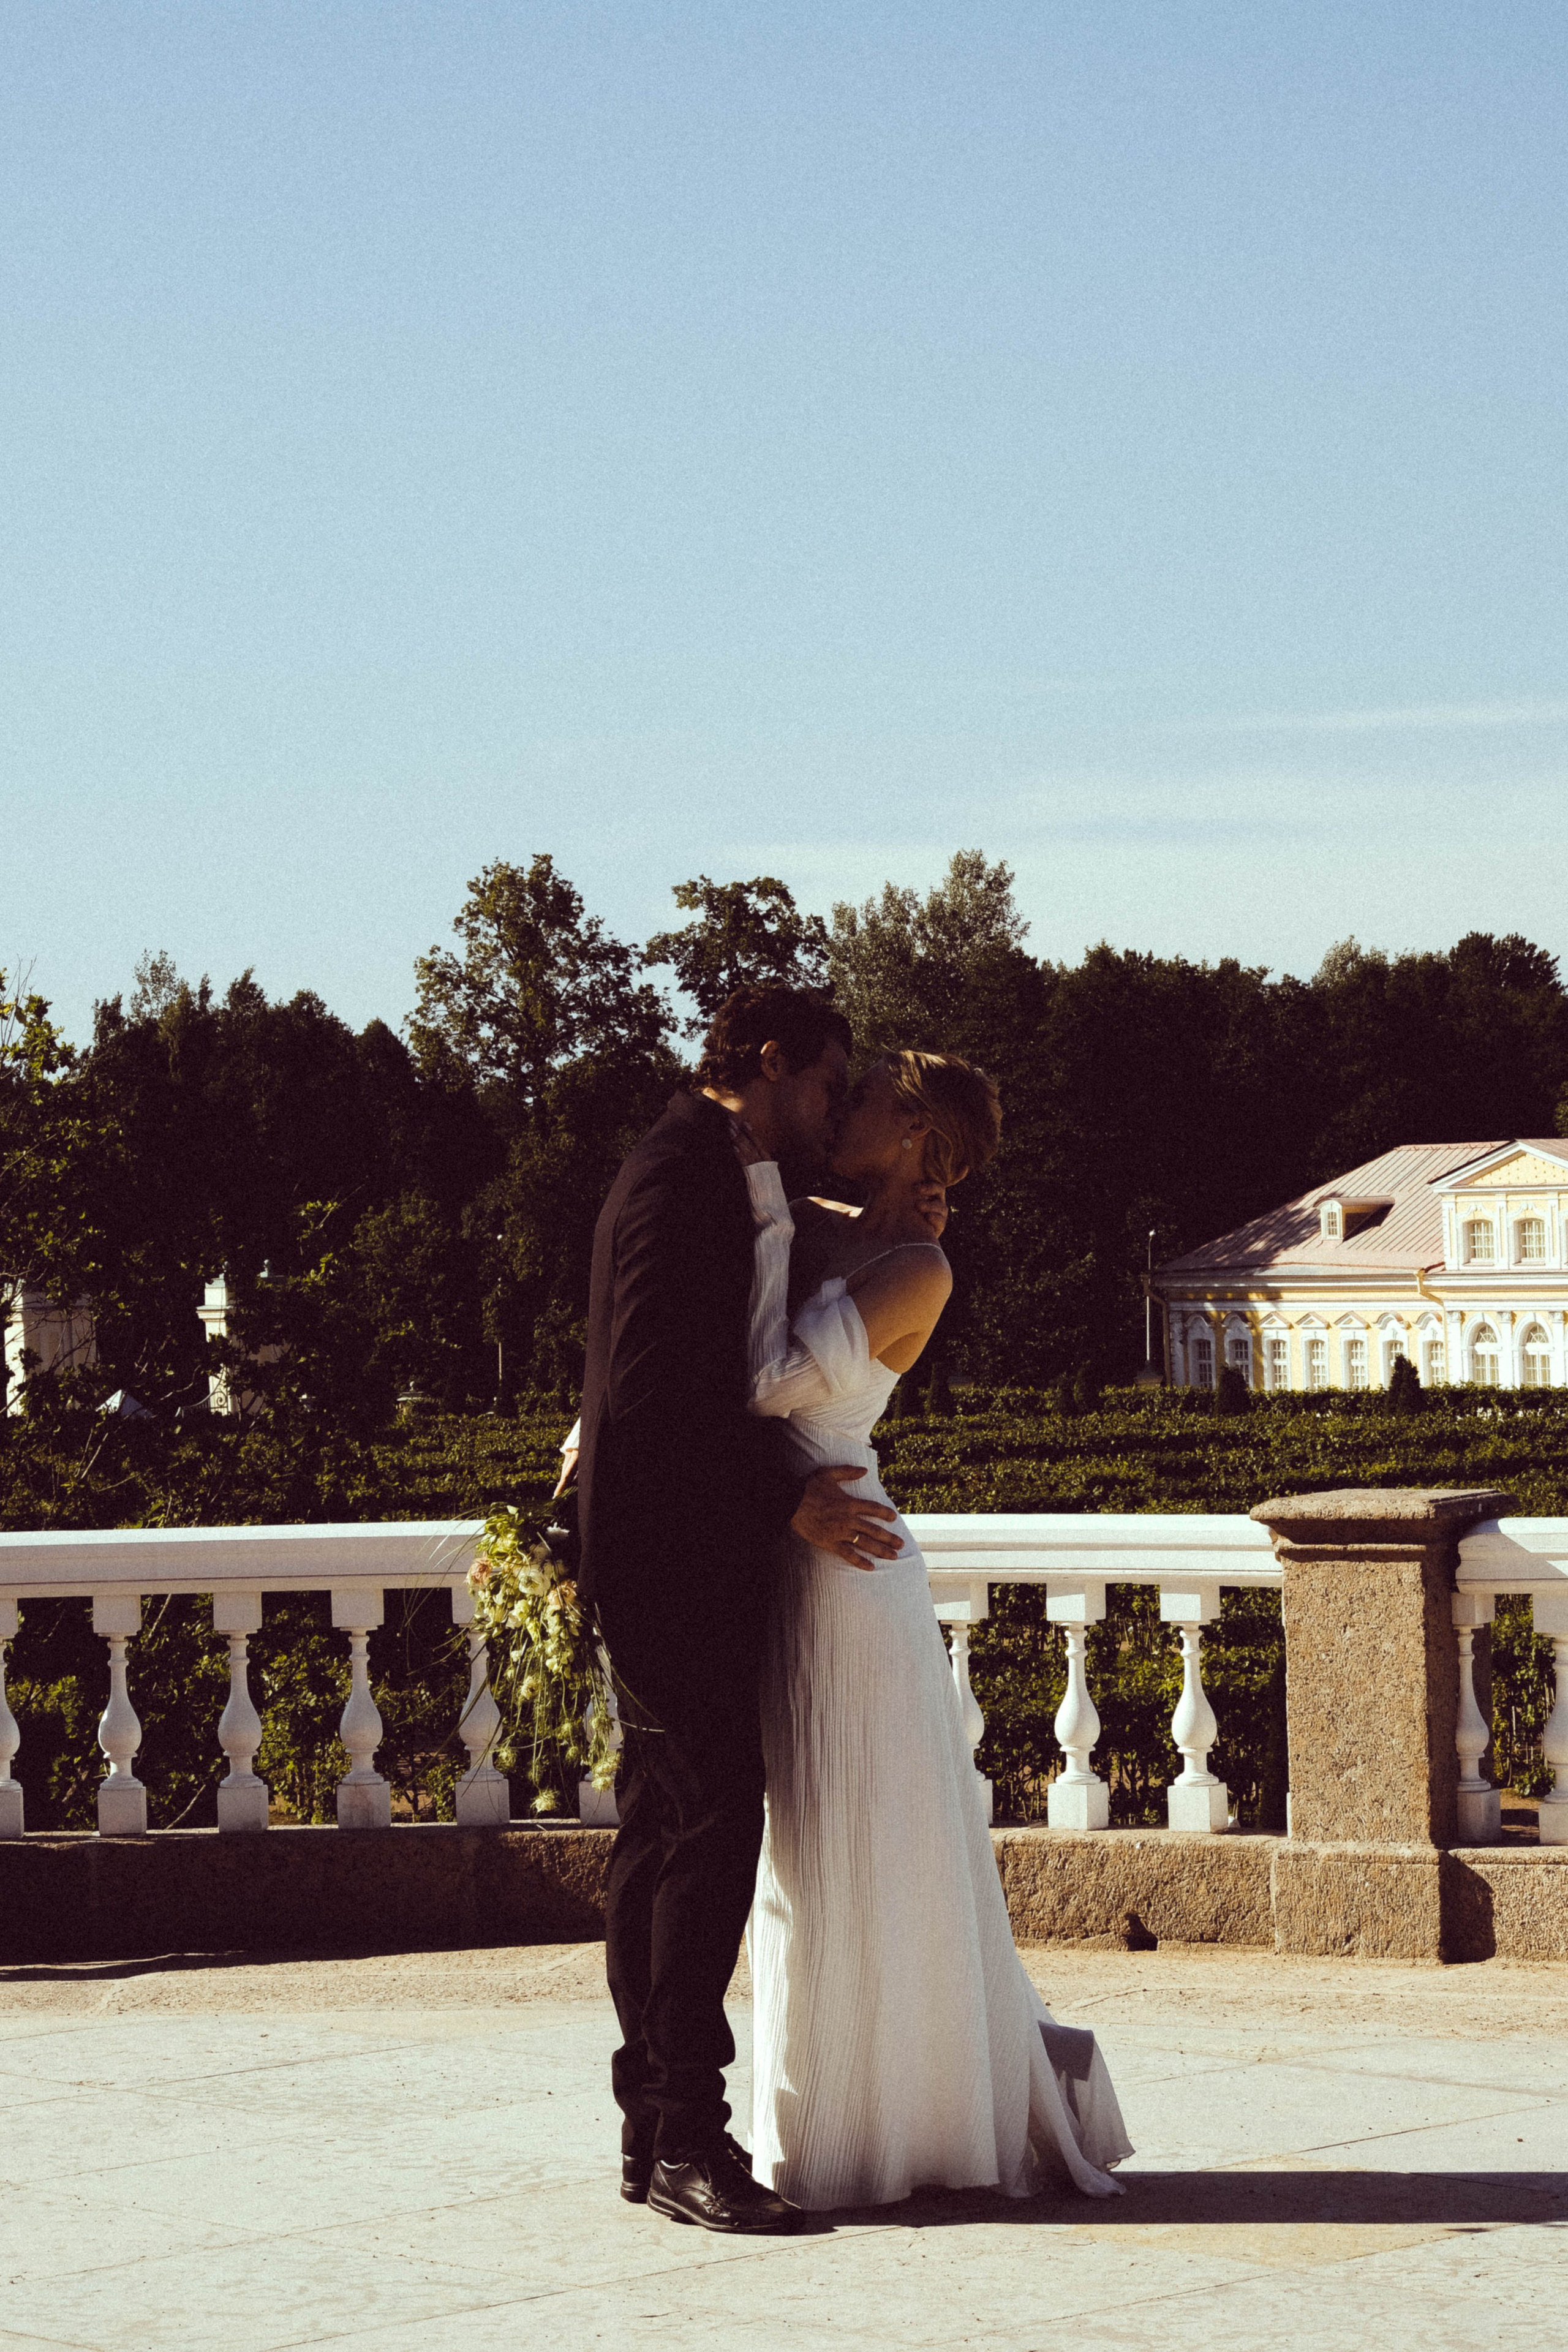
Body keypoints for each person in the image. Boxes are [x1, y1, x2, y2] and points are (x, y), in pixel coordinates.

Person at [741, 1050, 1133, 2208]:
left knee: (873, 1843)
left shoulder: (921, 1266)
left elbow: (764, 1381)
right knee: (799, 1856)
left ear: (910, 1128)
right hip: (784, 1556)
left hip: (852, 1578)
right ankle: (825, 2111)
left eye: (855, 1096)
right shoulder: (810, 1223)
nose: (834, 1107)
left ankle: (899, 2119)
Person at [573, 985, 908, 2236]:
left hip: (669, 1551)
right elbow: (658, 1398)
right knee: (705, 1832)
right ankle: (684, 2136)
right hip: (670, 1557)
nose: (833, 1111)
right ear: (767, 1066)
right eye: (828, 1085)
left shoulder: (715, 1167)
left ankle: (651, 2130)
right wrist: (785, 1503)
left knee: (664, 1836)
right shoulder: (678, 1181)